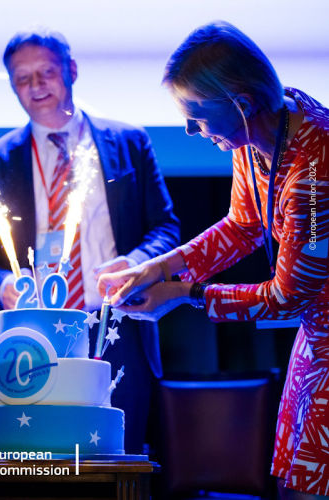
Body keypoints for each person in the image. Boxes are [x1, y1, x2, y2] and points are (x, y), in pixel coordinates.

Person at [98, 21, 328, 498]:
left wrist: (184, 295)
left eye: (196, 115)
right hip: (317, 340)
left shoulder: (314, 168)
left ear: (241, 104)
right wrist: (160, 267)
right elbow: (243, 225)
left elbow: (285, 297)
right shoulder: (261, 130)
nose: (188, 129)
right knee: (295, 487)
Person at [0, 28, 180, 453]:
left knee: (119, 463)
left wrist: (136, 263)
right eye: (22, 79)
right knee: (43, 465)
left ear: (72, 70)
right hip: (32, 337)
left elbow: (166, 229)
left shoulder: (129, 142)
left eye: (46, 72)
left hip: (115, 327)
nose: (36, 86)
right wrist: (2, 283)